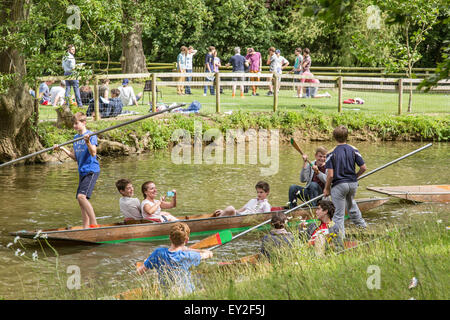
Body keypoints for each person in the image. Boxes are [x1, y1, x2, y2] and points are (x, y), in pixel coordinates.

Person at [137, 222, 213, 296]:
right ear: (186, 240)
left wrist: (146, 261)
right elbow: (208, 254)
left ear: (170, 238)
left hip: (167, 295)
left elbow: (139, 272)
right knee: (202, 287)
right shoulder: (188, 255)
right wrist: (202, 250)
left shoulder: (158, 253)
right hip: (187, 294)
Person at [53, 112, 100, 229]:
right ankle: (85, 227)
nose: (74, 126)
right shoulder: (75, 138)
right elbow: (75, 157)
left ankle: (94, 223)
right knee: (81, 201)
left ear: (84, 123)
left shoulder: (91, 135)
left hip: (91, 170)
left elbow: (93, 153)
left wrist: (87, 142)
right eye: (73, 124)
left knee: (81, 197)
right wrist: (62, 148)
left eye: (76, 123)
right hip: (82, 171)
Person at [323, 126, 367, 239]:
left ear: (334, 137)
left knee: (338, 215)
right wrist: (354, 177)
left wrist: (327, 188)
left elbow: (331, 174)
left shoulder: (330, 153)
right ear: (347, 136)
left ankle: (339, 242)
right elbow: (363, 167)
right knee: (352, 206)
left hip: (339, 185)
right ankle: (363, 228)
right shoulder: (354, 149)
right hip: (352, 184)